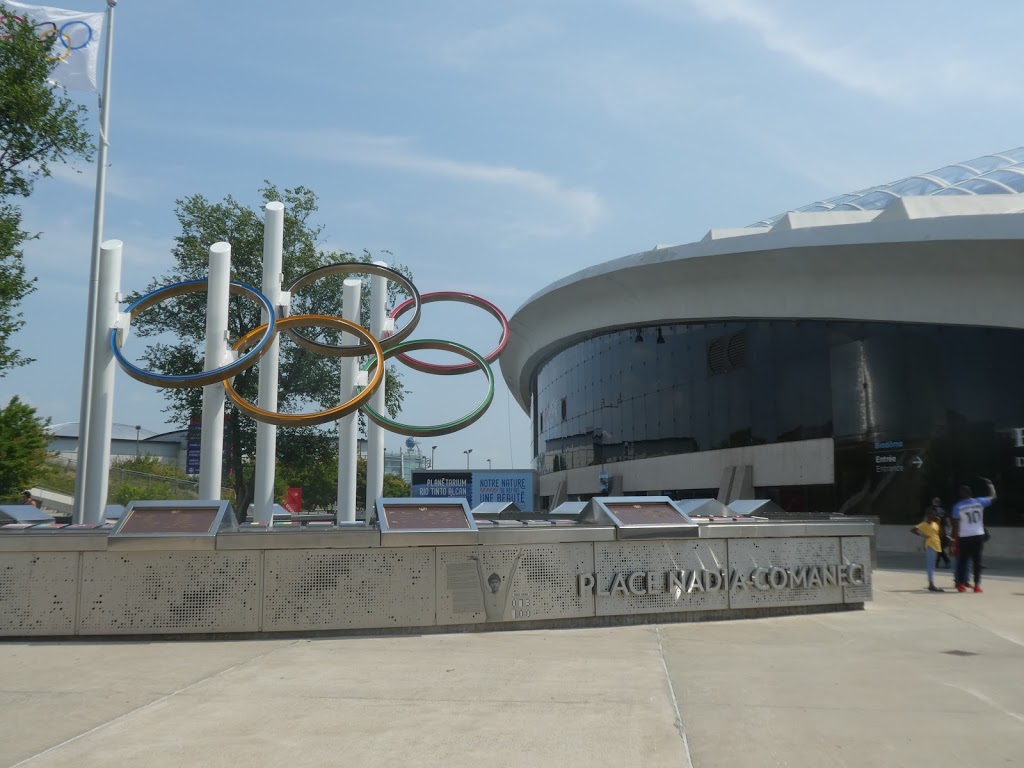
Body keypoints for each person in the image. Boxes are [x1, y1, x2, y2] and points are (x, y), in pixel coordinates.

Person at [951, 477, 996, 593]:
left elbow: (955, 525)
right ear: (971, 493)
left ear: (961, 494)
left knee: (962, 561)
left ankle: (960, 584)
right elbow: (993, 497)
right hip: (978, 535)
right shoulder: (979, 501)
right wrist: (991, 485)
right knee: (977, 561)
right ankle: (977, 585)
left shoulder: (957, 506)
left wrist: (953, 539)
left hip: (965, 536)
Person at [910, 511, 944, 592]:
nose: (934, 517)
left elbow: (941, 534)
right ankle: (931, 584)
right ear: (928, 516)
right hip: (930, 545)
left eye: (934, 516)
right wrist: (922, 535)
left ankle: (931, 583)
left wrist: (939, 522)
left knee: (932, 565)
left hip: (936, 545)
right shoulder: (923, 524)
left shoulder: (935, 524)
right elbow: (913, 530)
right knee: (930, 565)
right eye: (932, 516)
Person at [925, 497, 952, 568]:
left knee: (938, 546)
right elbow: (947, 520)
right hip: (940, 530)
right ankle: (938, 562)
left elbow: (926, 519)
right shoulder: (942, 510)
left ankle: (943, 561)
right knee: (938, 546)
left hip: (936, 530)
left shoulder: (930, 509)